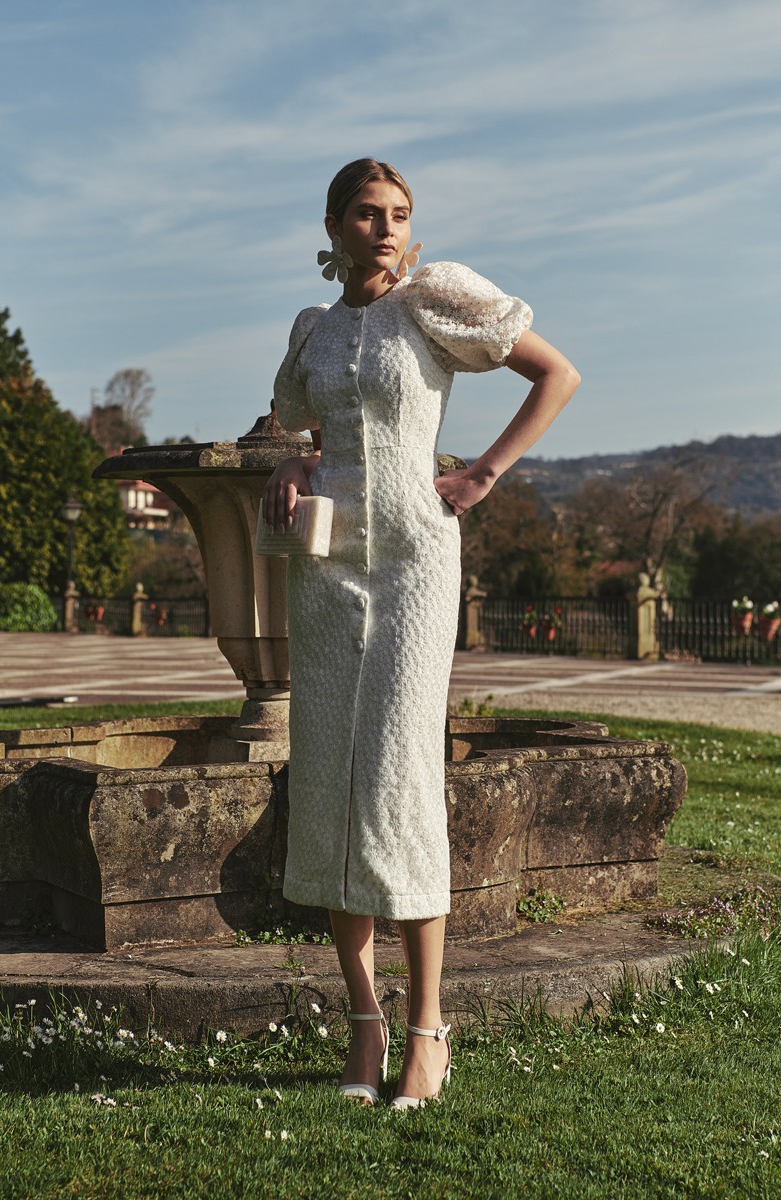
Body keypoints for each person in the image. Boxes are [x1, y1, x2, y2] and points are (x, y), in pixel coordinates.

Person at [263, 158, 579, 1108]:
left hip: (412, 565)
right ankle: (362, 1021)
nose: (386, 228)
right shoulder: (312, 330)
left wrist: (482, 473)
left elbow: (556, 374)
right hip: (324, 577)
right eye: (368, 214)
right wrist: (285, 464)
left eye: (400, 214)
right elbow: (287, 422)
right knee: (326, 781)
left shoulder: (435, 302)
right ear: (334, 226)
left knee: (401, 778)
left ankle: (427, 1028)